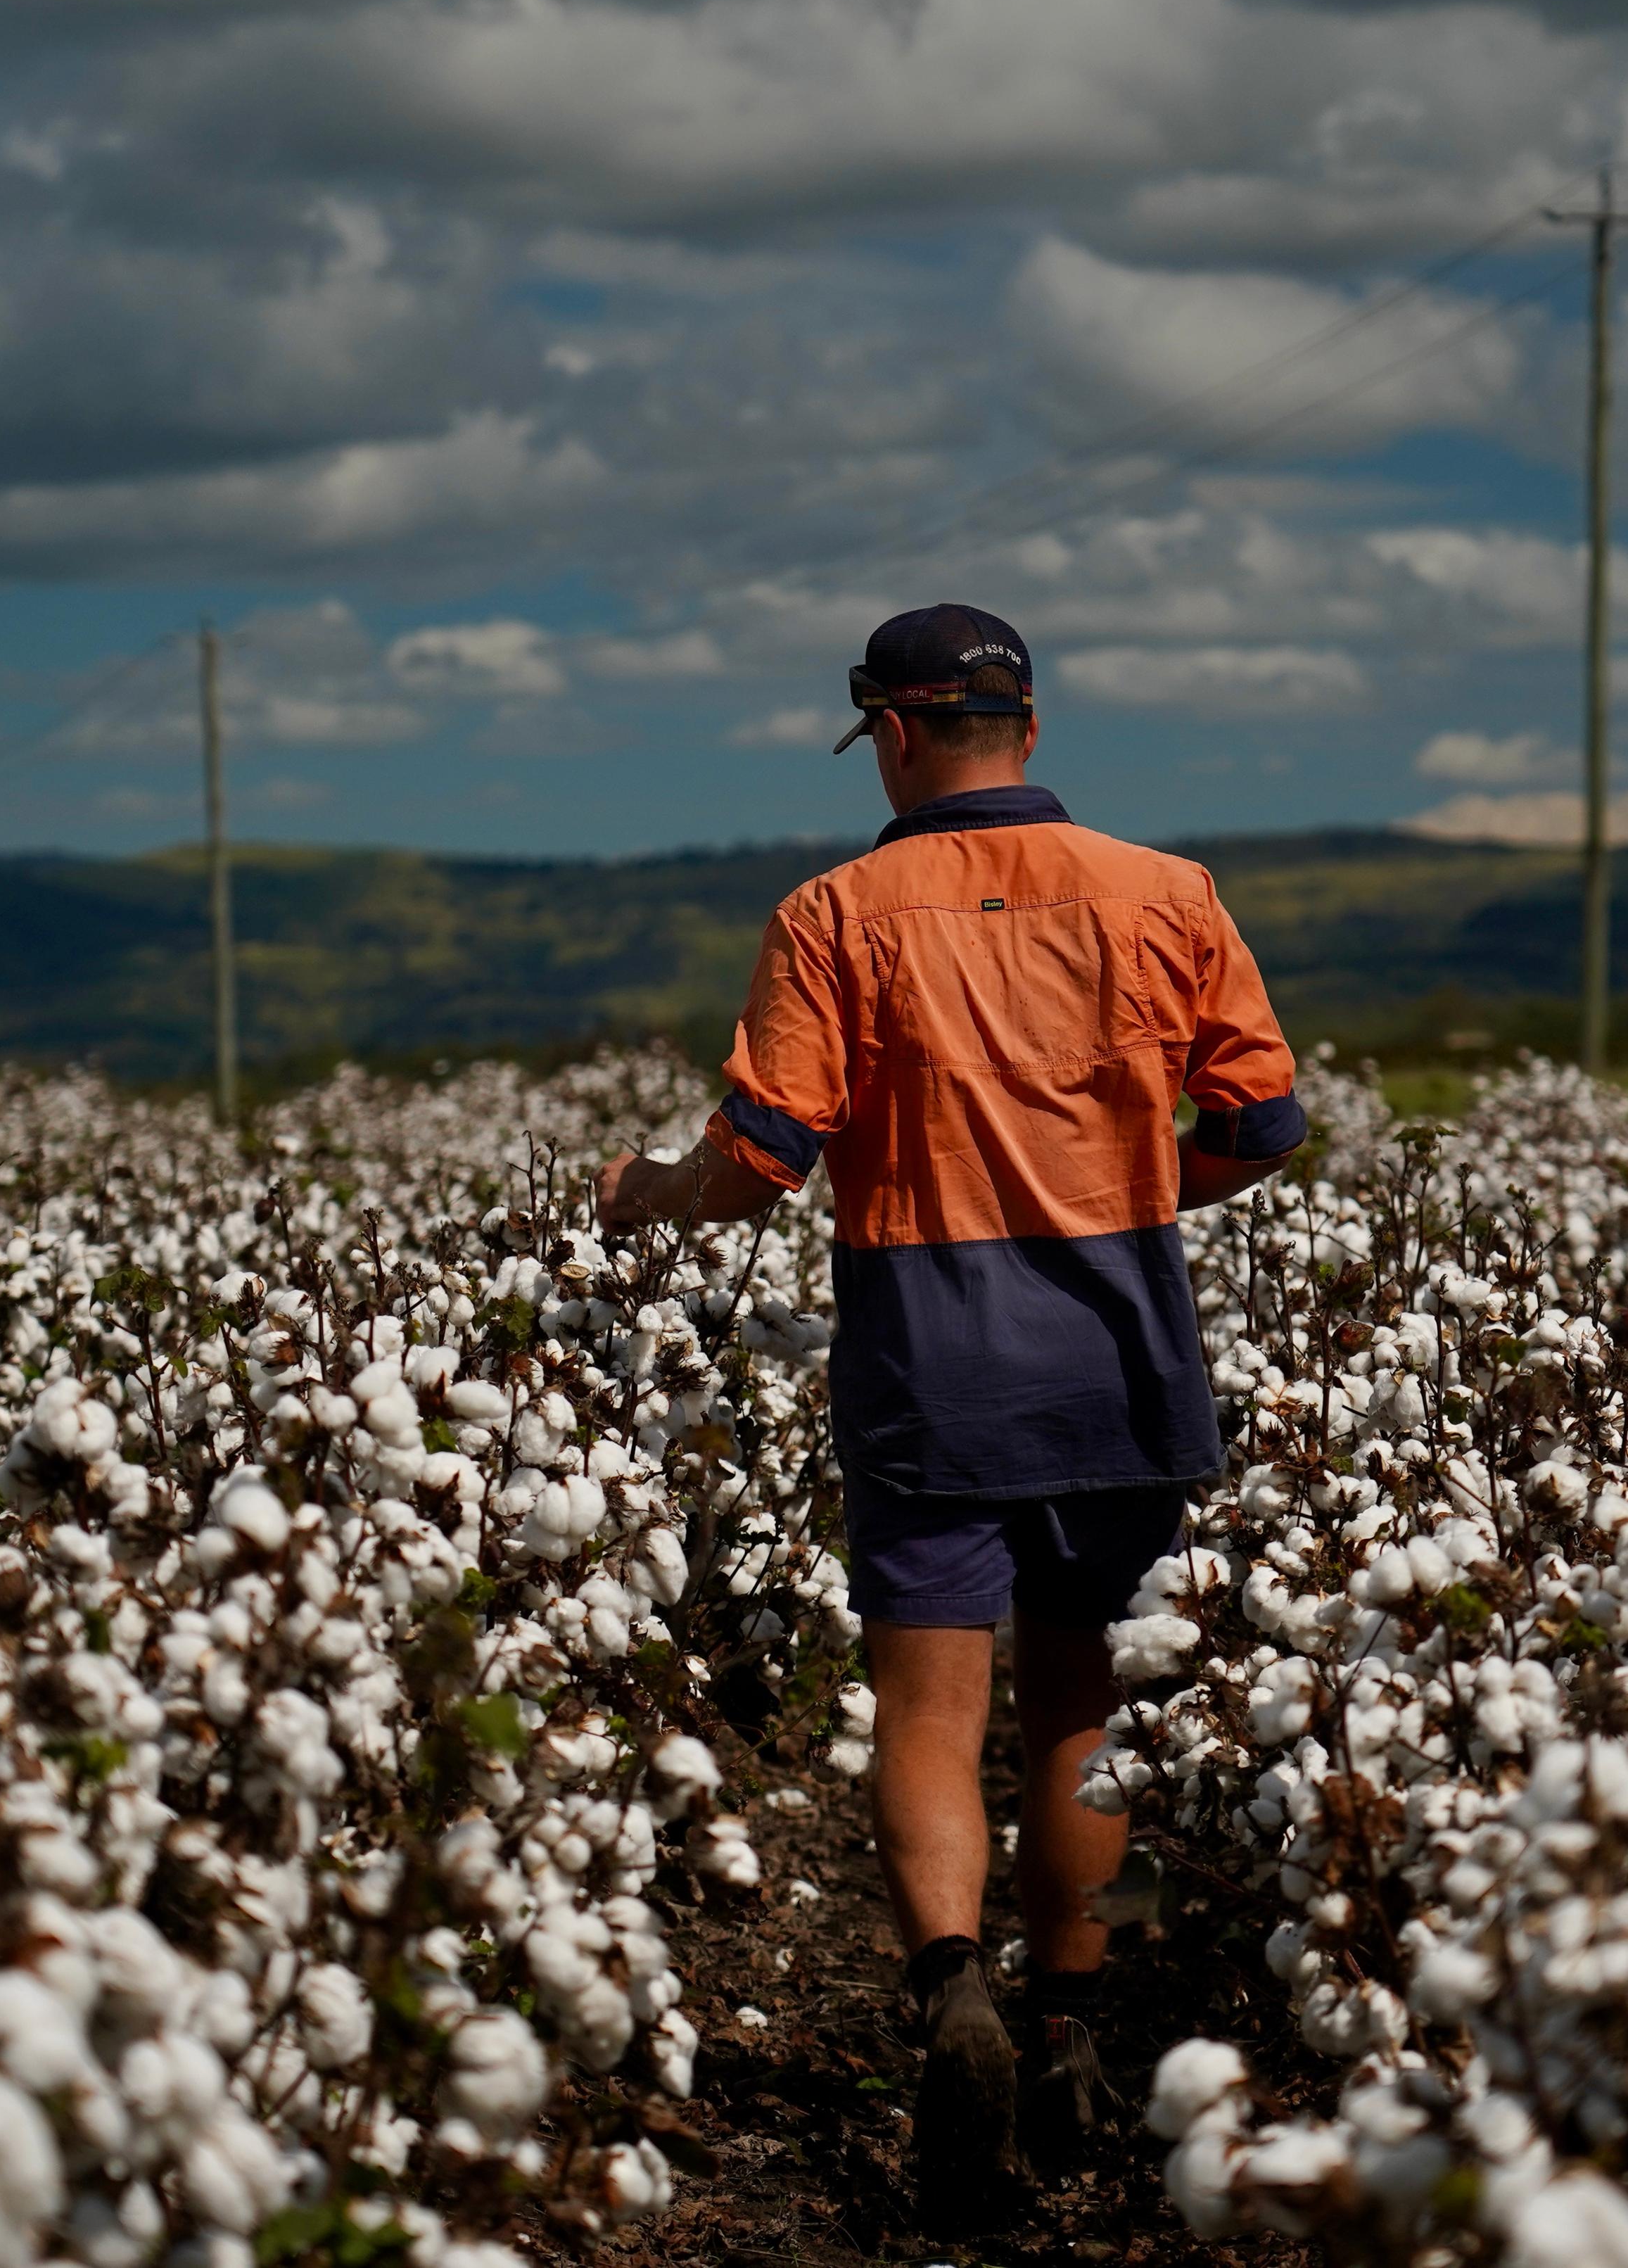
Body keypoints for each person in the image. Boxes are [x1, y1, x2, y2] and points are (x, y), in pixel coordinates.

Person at [594, 602, 1306, 2233]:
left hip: (928, 1353)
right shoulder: (1169, 894)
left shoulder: (837, 911)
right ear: (1030, 733)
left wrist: (649, 1196)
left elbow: (763, 1150)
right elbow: (1262, 1117)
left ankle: (948, 1998)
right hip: (1125, 1356)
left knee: (928, 1705)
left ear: (891, 736)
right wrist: (1133, 1191)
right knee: (1077, 1706)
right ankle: (1066, 2028)